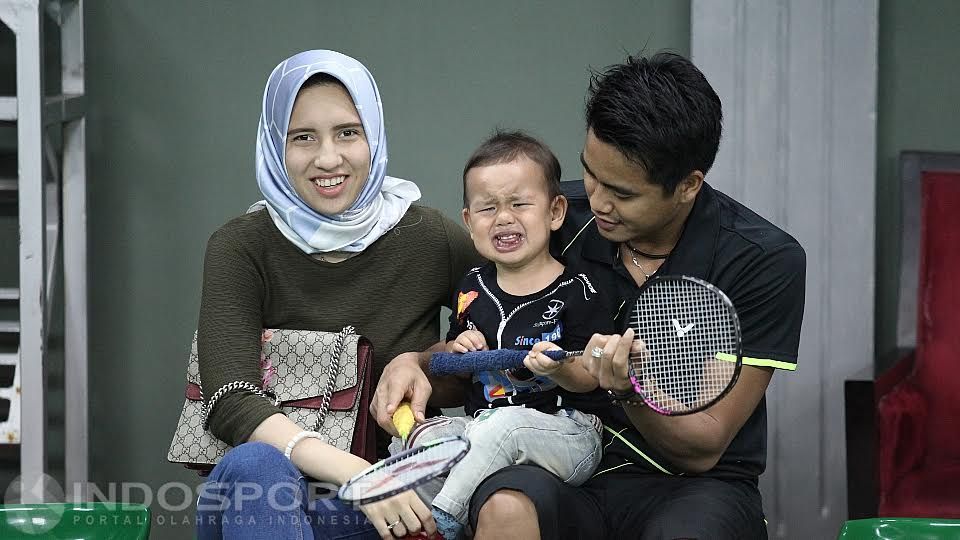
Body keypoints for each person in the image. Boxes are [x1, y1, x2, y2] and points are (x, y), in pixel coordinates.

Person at [371, 51, 806, 539]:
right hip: (557, 464)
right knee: (505, 506)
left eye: (621, 192)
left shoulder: (763, 260)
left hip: (689, 486)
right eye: (591, 174)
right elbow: (479, 359)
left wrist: (628, 388)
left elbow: (703, 446)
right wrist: (417, 363)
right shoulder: (554, 218)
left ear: (687, 186)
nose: (597, 201)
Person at [193, 49, 481, 540]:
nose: (329, 158)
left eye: (348, 132)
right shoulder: (240, 246)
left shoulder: (428, 237)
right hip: (260, 504)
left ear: (374, 134)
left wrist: (423, 359)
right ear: (272, 145)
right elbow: (230, 399)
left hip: (380, 514)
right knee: (257, 465)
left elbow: (511, 315)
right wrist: (358, 473)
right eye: (302, 137)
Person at [398, 131, 614, 539]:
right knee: (429, 437)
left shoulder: (578, 290)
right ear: (468, 221)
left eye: (519, 204)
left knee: (507, 426)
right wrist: (456, 350)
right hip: (484, 428)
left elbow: (592, 373)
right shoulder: (472, 287)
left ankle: (442, 522)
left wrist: (560, 366)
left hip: (568, 432)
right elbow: (457, 371)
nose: (503, 217)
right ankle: (411, 518)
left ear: (554, 213)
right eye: (487, 208)